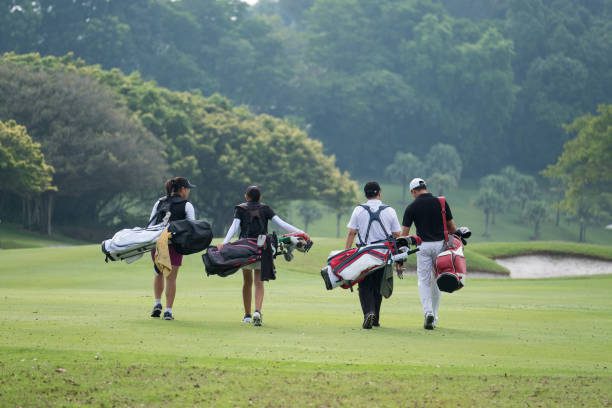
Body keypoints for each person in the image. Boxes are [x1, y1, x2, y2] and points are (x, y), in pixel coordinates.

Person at [219, 185, 308, 326]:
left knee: (246, 282)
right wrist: (301, 232)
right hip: (262, 248)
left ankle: (247, 316)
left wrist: (225, 242)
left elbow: (234, 227)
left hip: (245, 248)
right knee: (258, 283)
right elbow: (281, 224)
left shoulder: (240, 208)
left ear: (246, 196)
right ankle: (257, 311)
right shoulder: (265, 208)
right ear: (260, 197)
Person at [401, 177, 457, 330]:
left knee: (424, 281)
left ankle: (428, 313)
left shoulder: (411, 207)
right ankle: (435, 316)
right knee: (437, 281)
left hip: (423, 246)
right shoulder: (441, 202)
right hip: (440, 246)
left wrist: (400, 256)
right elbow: (452, 227)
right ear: (425, 187)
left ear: (413, 191)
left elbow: (404, 235)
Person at [345, 181, 401, 329]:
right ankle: (375, 318)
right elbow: (397, 234)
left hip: (363, 254)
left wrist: (346, 253)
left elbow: (352, 232)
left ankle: (368, 312)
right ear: (379, 193)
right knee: (378, 286)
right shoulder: (390, 211)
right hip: (383, 255)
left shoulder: (358, 210)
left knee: (364, 285)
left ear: (365, 194)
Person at [149, 177, 196, 321]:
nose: (188, 191)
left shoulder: (160, 202)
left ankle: (157, 304)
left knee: (158, 273)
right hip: (175, 245)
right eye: (187, 189)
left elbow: (151, 224)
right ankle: (168, 311)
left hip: (157, 243)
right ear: (182, 189)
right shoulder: (187, 205)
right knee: (171, 278)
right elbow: (192, 226)